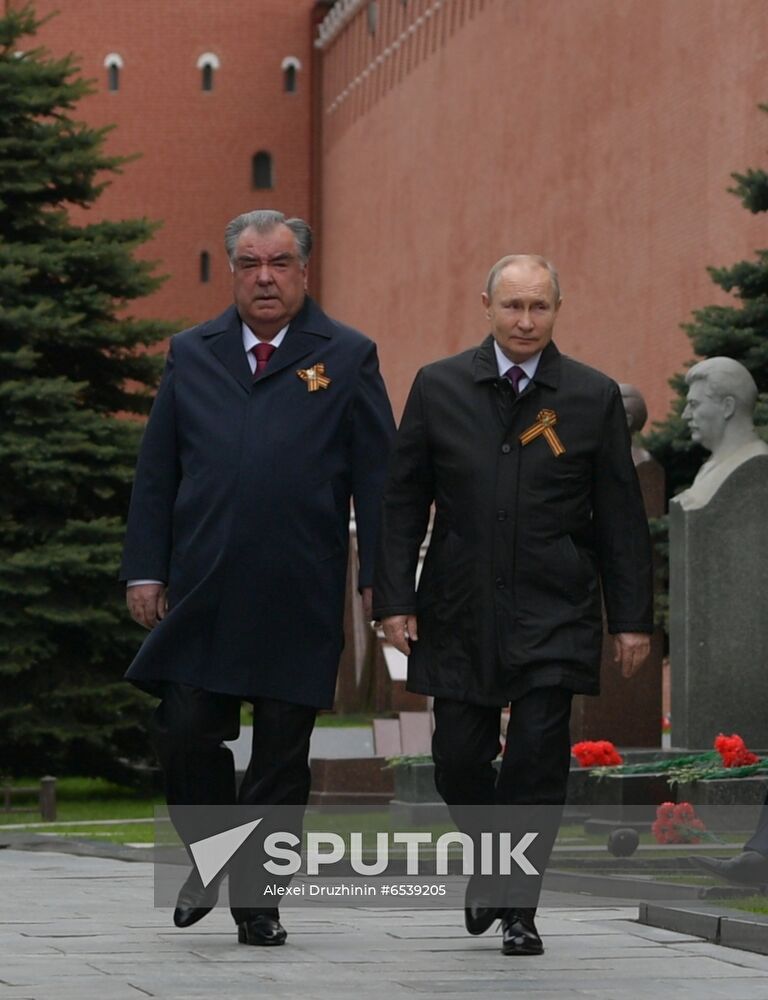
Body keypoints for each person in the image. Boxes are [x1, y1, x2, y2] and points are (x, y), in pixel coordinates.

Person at [121, 209, 395, 946]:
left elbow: (379, 484)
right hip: (202, 589)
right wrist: (145, 569)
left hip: (297, 593)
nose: (265, 277)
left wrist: (387, 585)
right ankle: (210, 855)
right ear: (233, 270)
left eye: (279, 263)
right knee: (184, 734)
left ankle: (258, 902)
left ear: (304, 270)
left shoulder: (348, 354)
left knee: (280, 757)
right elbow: (157, 474)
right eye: (249, 263)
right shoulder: (193, 351)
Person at [373, 254, 653, 956]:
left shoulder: (589, 397)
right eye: (513, 307)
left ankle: (519, 909)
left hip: (554, 610)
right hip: (458, 606)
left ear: (557, 310)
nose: (525, 321)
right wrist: (395, 598)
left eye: (539, 307)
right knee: (459, 761)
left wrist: (631, 619)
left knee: (534, 761)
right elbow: (404, 500)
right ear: (487, 307)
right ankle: (491, 864)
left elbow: (621, 518)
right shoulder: (439, 387)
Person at [674, 357, 768, 510]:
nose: (686, 415)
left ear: (727, 407)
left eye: (694, 404)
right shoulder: (710, 467)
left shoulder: (756, 465)